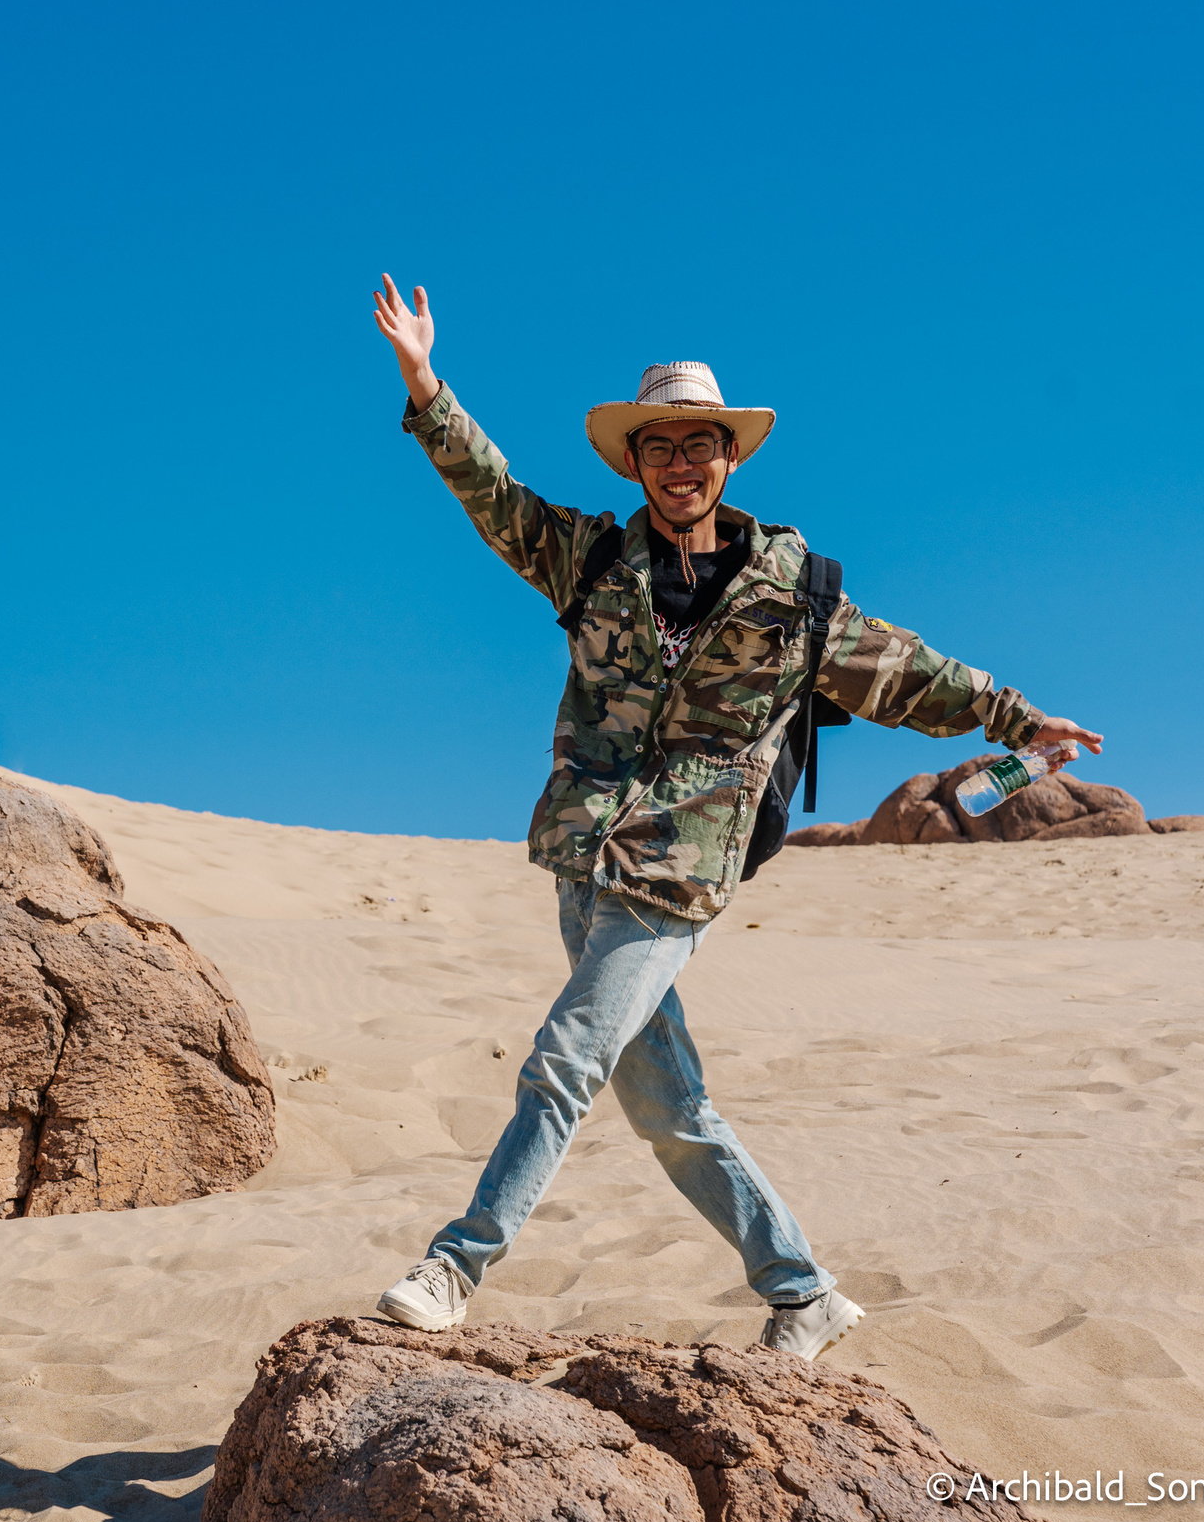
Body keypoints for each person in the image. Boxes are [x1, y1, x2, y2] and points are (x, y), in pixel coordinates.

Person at [365, 275, 1102, 1360]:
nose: (679, 461)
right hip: (586, 855)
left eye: (698, 442)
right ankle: (802, 1294)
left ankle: (455, 1265)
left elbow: (906, 672)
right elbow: (492, 495)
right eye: (658, 444)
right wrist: (426, 384)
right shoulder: (592, 562)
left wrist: (1012, 714)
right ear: (635, 460)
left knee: (566, 1057)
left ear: (729, 456)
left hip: (678, 874)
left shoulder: (792, 593)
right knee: (668, 1112)